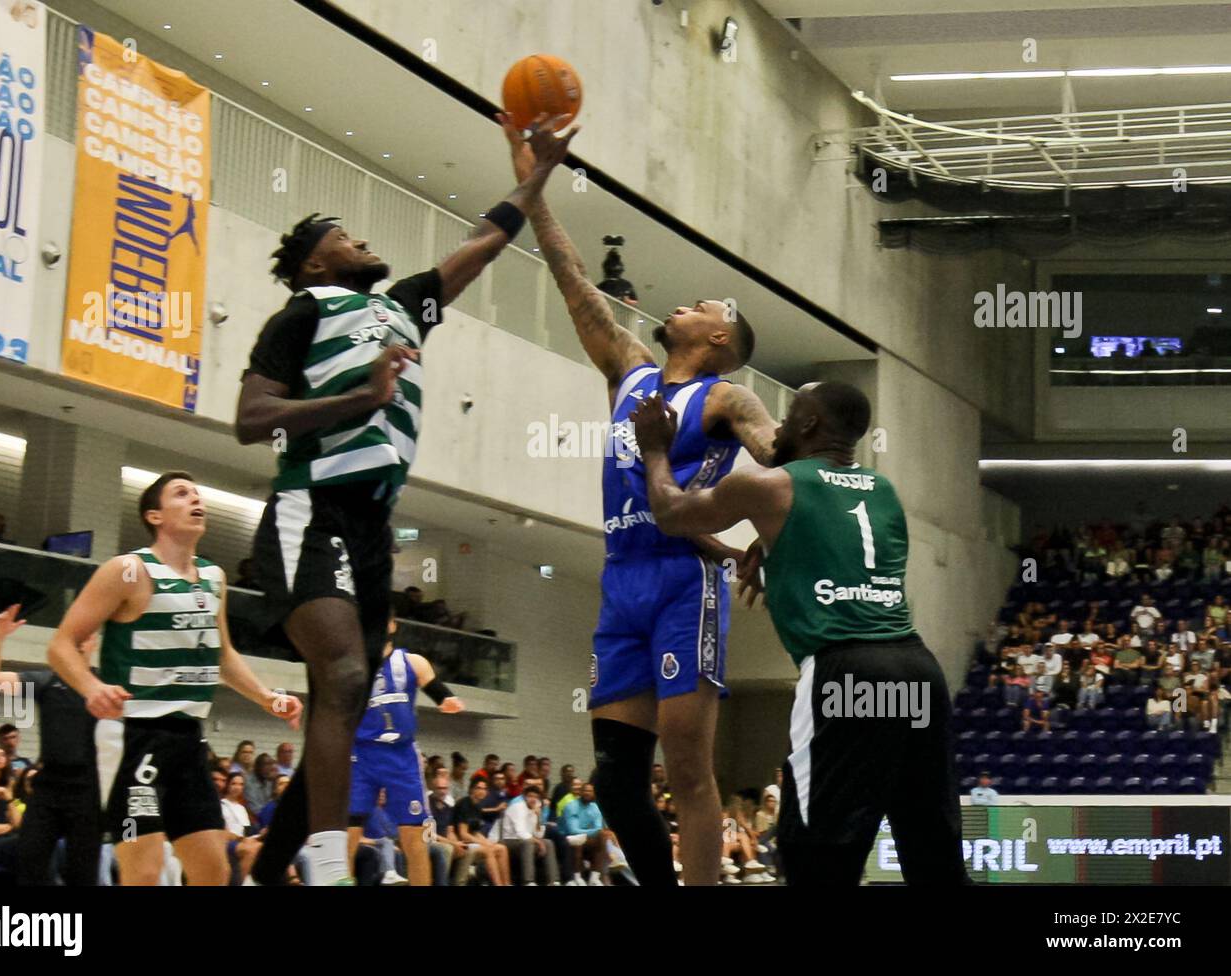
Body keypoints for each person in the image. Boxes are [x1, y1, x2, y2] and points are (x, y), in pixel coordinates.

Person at [236, 120, 573, 888]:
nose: (363, 242)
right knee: (348, 682)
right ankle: (327, 872)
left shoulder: (404, 305)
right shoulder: (303, 314)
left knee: (342, 703)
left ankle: (267, 873)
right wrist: (360, 397)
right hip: (310, 510)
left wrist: (539, 172)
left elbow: (484, 242)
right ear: (319, 259)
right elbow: (251, 421)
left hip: (371, 529)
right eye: (346, 236)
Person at [501, 114, 780, 890]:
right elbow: (569, 274)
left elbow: (777, 456)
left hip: (683, 582)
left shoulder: (728, 397)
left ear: (721, 339)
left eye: (702, 307)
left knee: (688, 769)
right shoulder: (628, 371)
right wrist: (535, 179)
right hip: (620, 580)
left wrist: (773, 532)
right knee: (619, 777)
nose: (683, 304)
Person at [629, 379, 969, 886]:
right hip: (918, 671)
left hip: (845, 671)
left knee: (815, 857)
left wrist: (654, 448)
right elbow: (844, 555)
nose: (779, 427)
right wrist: (771, 555)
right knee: (934, 859)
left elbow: (671, 512)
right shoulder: (885, 491)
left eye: (790, 416)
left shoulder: (769, 485)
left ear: (809, 425)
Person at [46, 471, 302, 886]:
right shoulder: (127, 570)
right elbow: (61, 644)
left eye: (198, 494)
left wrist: (267, 698)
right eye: (181, 494)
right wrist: (91, 687)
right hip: (133, 735)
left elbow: (223, 655)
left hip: (188, 739)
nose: (195, 500)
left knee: (213, 871)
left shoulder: (214, 577)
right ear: (155, 515)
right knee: (144, 873)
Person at [346, 617, 464, 886]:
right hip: (361, 755)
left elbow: (437, 690)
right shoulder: (353, 664)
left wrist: (448, 701)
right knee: (347, 838)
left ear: (391, 624)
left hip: (401, 756)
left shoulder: (412, 662)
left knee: (415, 839)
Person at [454, 777, 510, 885]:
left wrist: (487, 842)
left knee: (502, 848)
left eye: (484, 789)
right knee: (488, 850)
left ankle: (506, 883)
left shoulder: (478, 806)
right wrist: (483, 843)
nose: (482, 791)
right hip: (461, 843)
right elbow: (463, 834)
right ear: (472, 789)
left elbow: (475, 832)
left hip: (473, 841)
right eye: (478, 788)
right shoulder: (464, 804)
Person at [501, 784, 559, 885]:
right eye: (530, 796)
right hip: (509, 841)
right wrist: (538, 842)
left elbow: (539, 835)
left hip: (525, 841)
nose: (533, 799)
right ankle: (529, 881)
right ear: (525, 797)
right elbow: (521, 833)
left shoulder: (534, 809)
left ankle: (553, 881)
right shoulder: (517, 807)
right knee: (528, 843)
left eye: (536, 797)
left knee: (548, 843)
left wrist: (538, 817)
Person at [558, 781, 612, 886]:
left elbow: (598, 828)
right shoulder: (571, 806)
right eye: (585, 790)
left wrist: (597, 832)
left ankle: (594, 878)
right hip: (566, 837)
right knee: (580, 839)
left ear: (594, 794)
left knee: (602, 837)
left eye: (590, 791)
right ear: (580, 792)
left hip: (584, 836)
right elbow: (573, 830)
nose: (587, 793)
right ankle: (577, 877)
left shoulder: (595, 807)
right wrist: (595, 831)